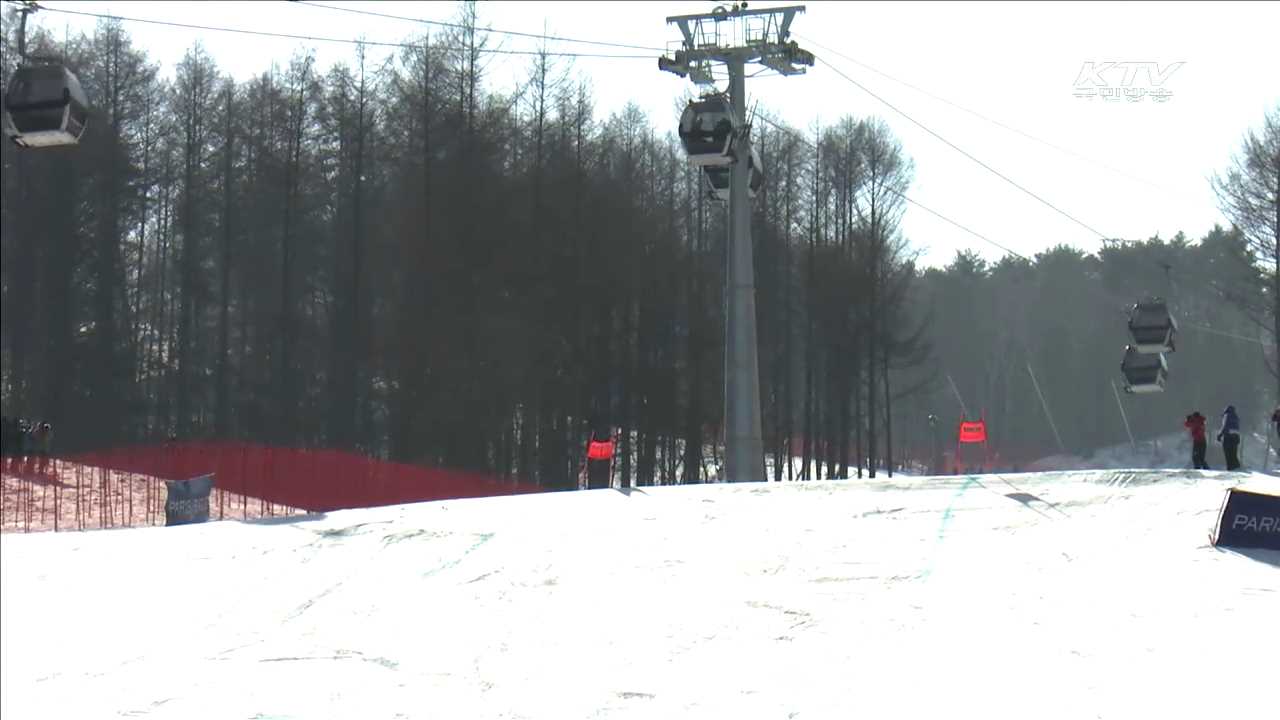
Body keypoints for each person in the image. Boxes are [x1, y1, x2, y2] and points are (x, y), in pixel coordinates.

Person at [1217, 404, 1241, 471]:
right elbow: (1238, 428)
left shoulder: (1227, 415)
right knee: (1233, 454)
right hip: (1236, 437)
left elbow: (1225, 426)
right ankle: (1236, 467)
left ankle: (1230, 468)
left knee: (1228, 454)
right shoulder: (1236, 417)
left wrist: (1219, 435)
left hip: (1228, 437)